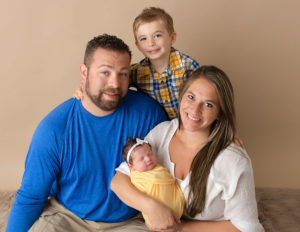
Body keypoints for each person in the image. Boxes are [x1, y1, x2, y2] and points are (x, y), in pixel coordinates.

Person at [6, 34, 167, 232]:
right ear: (84, 72)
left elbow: (175, 169)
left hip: (129, 221)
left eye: (123, 74)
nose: (115, 83)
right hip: (68, 216)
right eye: (105, 72)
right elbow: (31, 197)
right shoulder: (54, 128)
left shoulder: (148, 114)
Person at [111, 66, 265, 232]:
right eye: (191, 97)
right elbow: (119, 181)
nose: (195, 109)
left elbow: (248, 227)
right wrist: (151, 207)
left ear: (220, 112)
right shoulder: (162, 133)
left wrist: (180, 227)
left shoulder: (232, 159)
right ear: (181, 96)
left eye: (208, 104)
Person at [130, 7, 200, 119]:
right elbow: (118, 81)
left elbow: (207, 96)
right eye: (143, 39)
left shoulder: (188, 66)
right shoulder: (137, 73)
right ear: (138, 46)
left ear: (172, 38)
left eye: (157, 35)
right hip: (160, 128)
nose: (151, 43)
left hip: (189, 123)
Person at [122, 137, 185, 226]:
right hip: (156, 218)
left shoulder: (158, 168)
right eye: (141, 159)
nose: (148, 159)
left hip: (178, 211)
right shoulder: (137, 178)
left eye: (150, 153)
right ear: (131, 166)